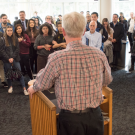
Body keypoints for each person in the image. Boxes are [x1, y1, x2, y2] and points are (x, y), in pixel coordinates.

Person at [28, 11, 113, 135]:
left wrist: (33, 88)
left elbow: (43, 83)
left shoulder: (57, 57)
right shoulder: (99, 54)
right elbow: (107, 80)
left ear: (63, 31)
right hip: (95, 116)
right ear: (84, 31)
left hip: (70, 120)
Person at [0, 25, 28, 95]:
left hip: (15, 58)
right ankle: (10, 86)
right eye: (8, 31)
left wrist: (12, 57)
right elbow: (2, 50)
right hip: (6, 59)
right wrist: (8, 58)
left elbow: (17, 49)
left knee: (19, 73)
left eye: (11, 30)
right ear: (6, 31)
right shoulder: (2, 39)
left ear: (12, 31)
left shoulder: (15, 38)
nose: (9, 32)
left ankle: (24, 88)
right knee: (8, 73)